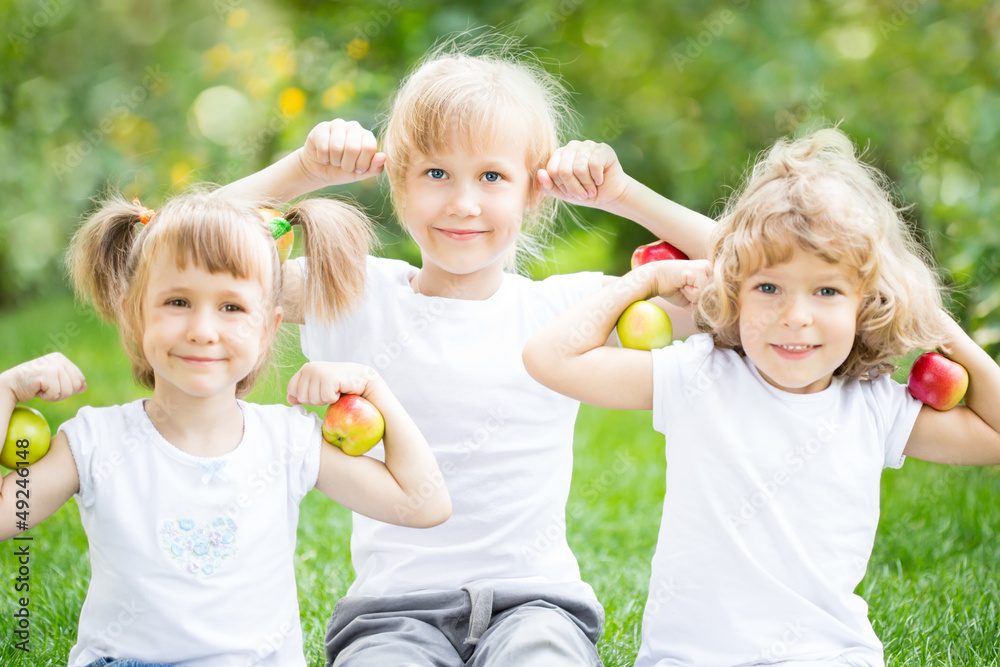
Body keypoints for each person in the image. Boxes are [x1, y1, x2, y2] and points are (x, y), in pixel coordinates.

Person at [216, 34, 716, 666]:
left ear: (533, 192)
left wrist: (623, 193)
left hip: (538, 607)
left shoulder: (567, 313)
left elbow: (755, 281)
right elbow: (177, 254)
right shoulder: (351, 289)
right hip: (393, 613)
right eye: (435, 173)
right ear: (398, 184)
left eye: (491, 176)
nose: (463, 202)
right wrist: (301, 173)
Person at [522, 127, 1000, 666]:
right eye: (769, 288)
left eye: (827, 291)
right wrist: (648, 279)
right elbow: (549, 358)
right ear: (733, 294)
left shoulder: (873, 407)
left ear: (866, 304)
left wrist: (940, 328)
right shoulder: (699, 376)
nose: (795, 315)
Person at [0, 192, 450, 667]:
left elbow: (423, 504)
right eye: (178, 301)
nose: (202, 329)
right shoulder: (94, 442)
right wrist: (5, 391)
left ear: (268, 329)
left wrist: (373, 386)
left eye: (231, 307)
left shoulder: (287, 441)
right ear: (134, 313)